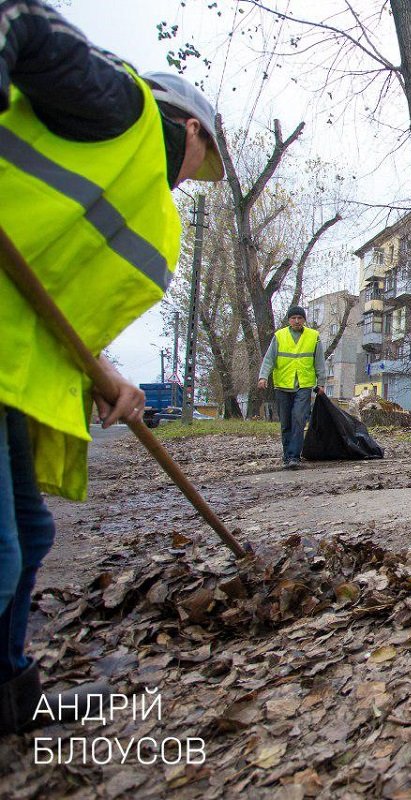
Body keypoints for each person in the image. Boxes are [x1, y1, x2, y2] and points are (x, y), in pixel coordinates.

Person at [0, 0, 222, 734]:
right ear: (187, 126)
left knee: (29, 539)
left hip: (10, 367)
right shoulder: (118, 108)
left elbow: (54, 288)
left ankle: (10, 695)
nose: (195, 178)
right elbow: (21, 17)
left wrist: (110, 375)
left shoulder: (144, 203)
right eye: (204, 160)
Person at [257, 307, 327, 469]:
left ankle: (294, 456)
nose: (297, 321)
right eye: (294, 318)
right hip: (282, 385)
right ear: (289, 320)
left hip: (303, 385)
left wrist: (321, 383)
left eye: (300, 318)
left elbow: (319, 361)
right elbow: (269, 359)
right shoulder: (279, 336)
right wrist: (263, 377)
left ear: (304, 320)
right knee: (286, 422)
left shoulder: (313, 336)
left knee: (298, 419)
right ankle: (287, 455)